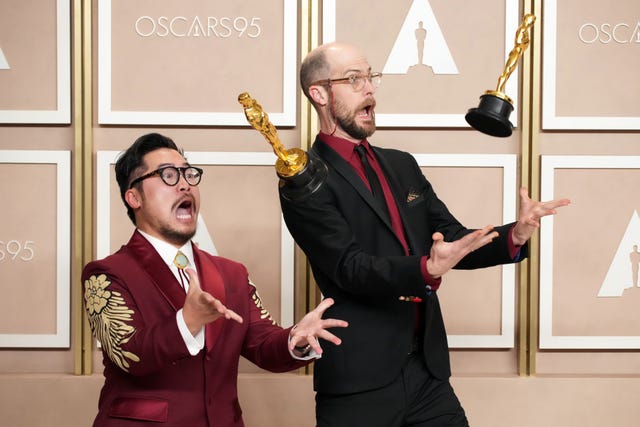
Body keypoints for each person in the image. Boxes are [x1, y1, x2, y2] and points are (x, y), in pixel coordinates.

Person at [278, 42, 570, 427]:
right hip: (359, 381)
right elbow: (349, 268)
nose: (369, 88)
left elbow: (451, 239)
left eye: (370, 77)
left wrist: (513, 235)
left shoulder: (401, 165)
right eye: (353, 79)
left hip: (427, 374)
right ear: (319, 93)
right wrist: (425, 269)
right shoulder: (304, 179)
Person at [82, 132, 348, 427]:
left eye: (189, 174)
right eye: (168, 175)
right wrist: (188, 320)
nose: (185, 184)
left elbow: (261, 343)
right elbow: (129, 354)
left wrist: (295, 339)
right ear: (133, 197)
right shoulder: (107, 273)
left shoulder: (231, 273)